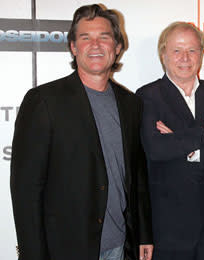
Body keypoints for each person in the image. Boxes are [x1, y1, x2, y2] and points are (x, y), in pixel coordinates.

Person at [10, 4, 153, 260]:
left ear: (117, 47)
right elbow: (26, 190)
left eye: (104, 37)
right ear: (74, 47)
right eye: (85, 38)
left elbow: (137, 177)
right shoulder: (43, 101)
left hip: (119, 246)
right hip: (64, 249)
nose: (95, 45)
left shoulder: (131, 104)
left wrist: (143, 235)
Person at [136, 22, 204, 260]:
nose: (185, 57)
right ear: (163, 55)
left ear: (202, 53)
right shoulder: (147, 97)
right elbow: (156, 149)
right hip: (168, 232)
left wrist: (187, 150)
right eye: (177, 50)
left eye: (192, 50)